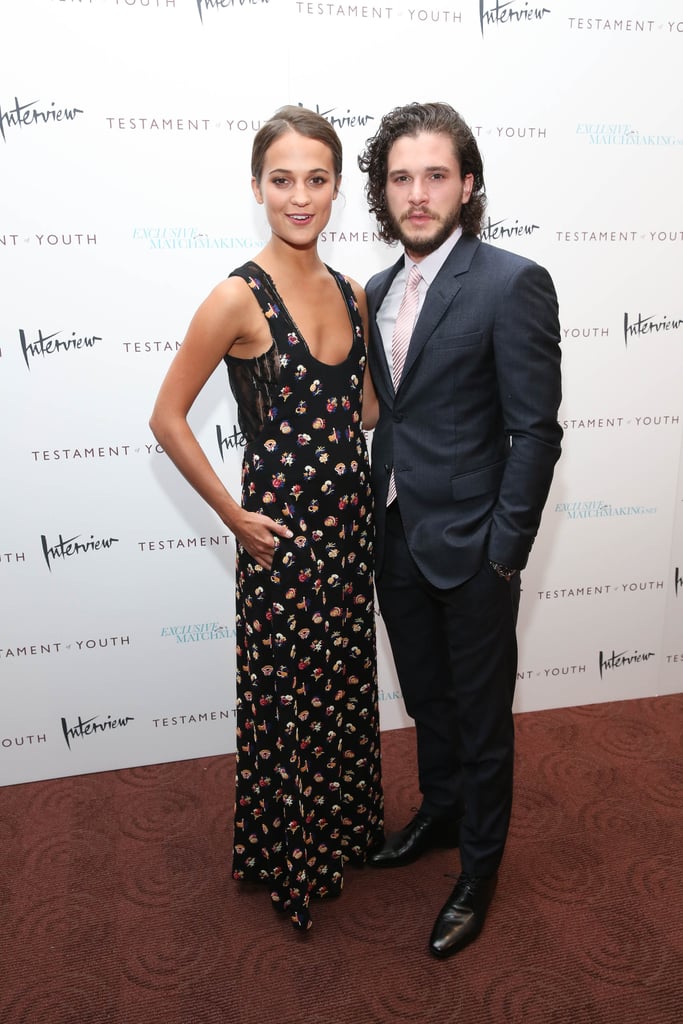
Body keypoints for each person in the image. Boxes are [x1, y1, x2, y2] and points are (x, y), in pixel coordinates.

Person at [150, 105, 384, 931]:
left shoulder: (355, 293)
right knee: (292, 699)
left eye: (316, 179)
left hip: (348, 531)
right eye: (281, 179)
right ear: (257, 188)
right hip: (279, 539)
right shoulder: (234, 296)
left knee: (343, 685)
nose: (299, 196)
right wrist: (235, 518)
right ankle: (291, 857)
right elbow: (167, 419)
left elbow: (356, 413)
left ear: (335, 191)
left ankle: (344, 834)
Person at [357, 101, 562, 959]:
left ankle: (478, 867)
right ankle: (439, 815)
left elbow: (535, 431)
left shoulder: (512, 281)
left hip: (475, 547)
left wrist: (503, 555)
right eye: (400, 177)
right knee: (427, 697)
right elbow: (387, 414)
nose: (417, 192)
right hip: (396, 533)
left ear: (467, 184)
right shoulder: (371, 290)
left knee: (480, 717)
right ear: (382, 192)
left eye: (435, 174)